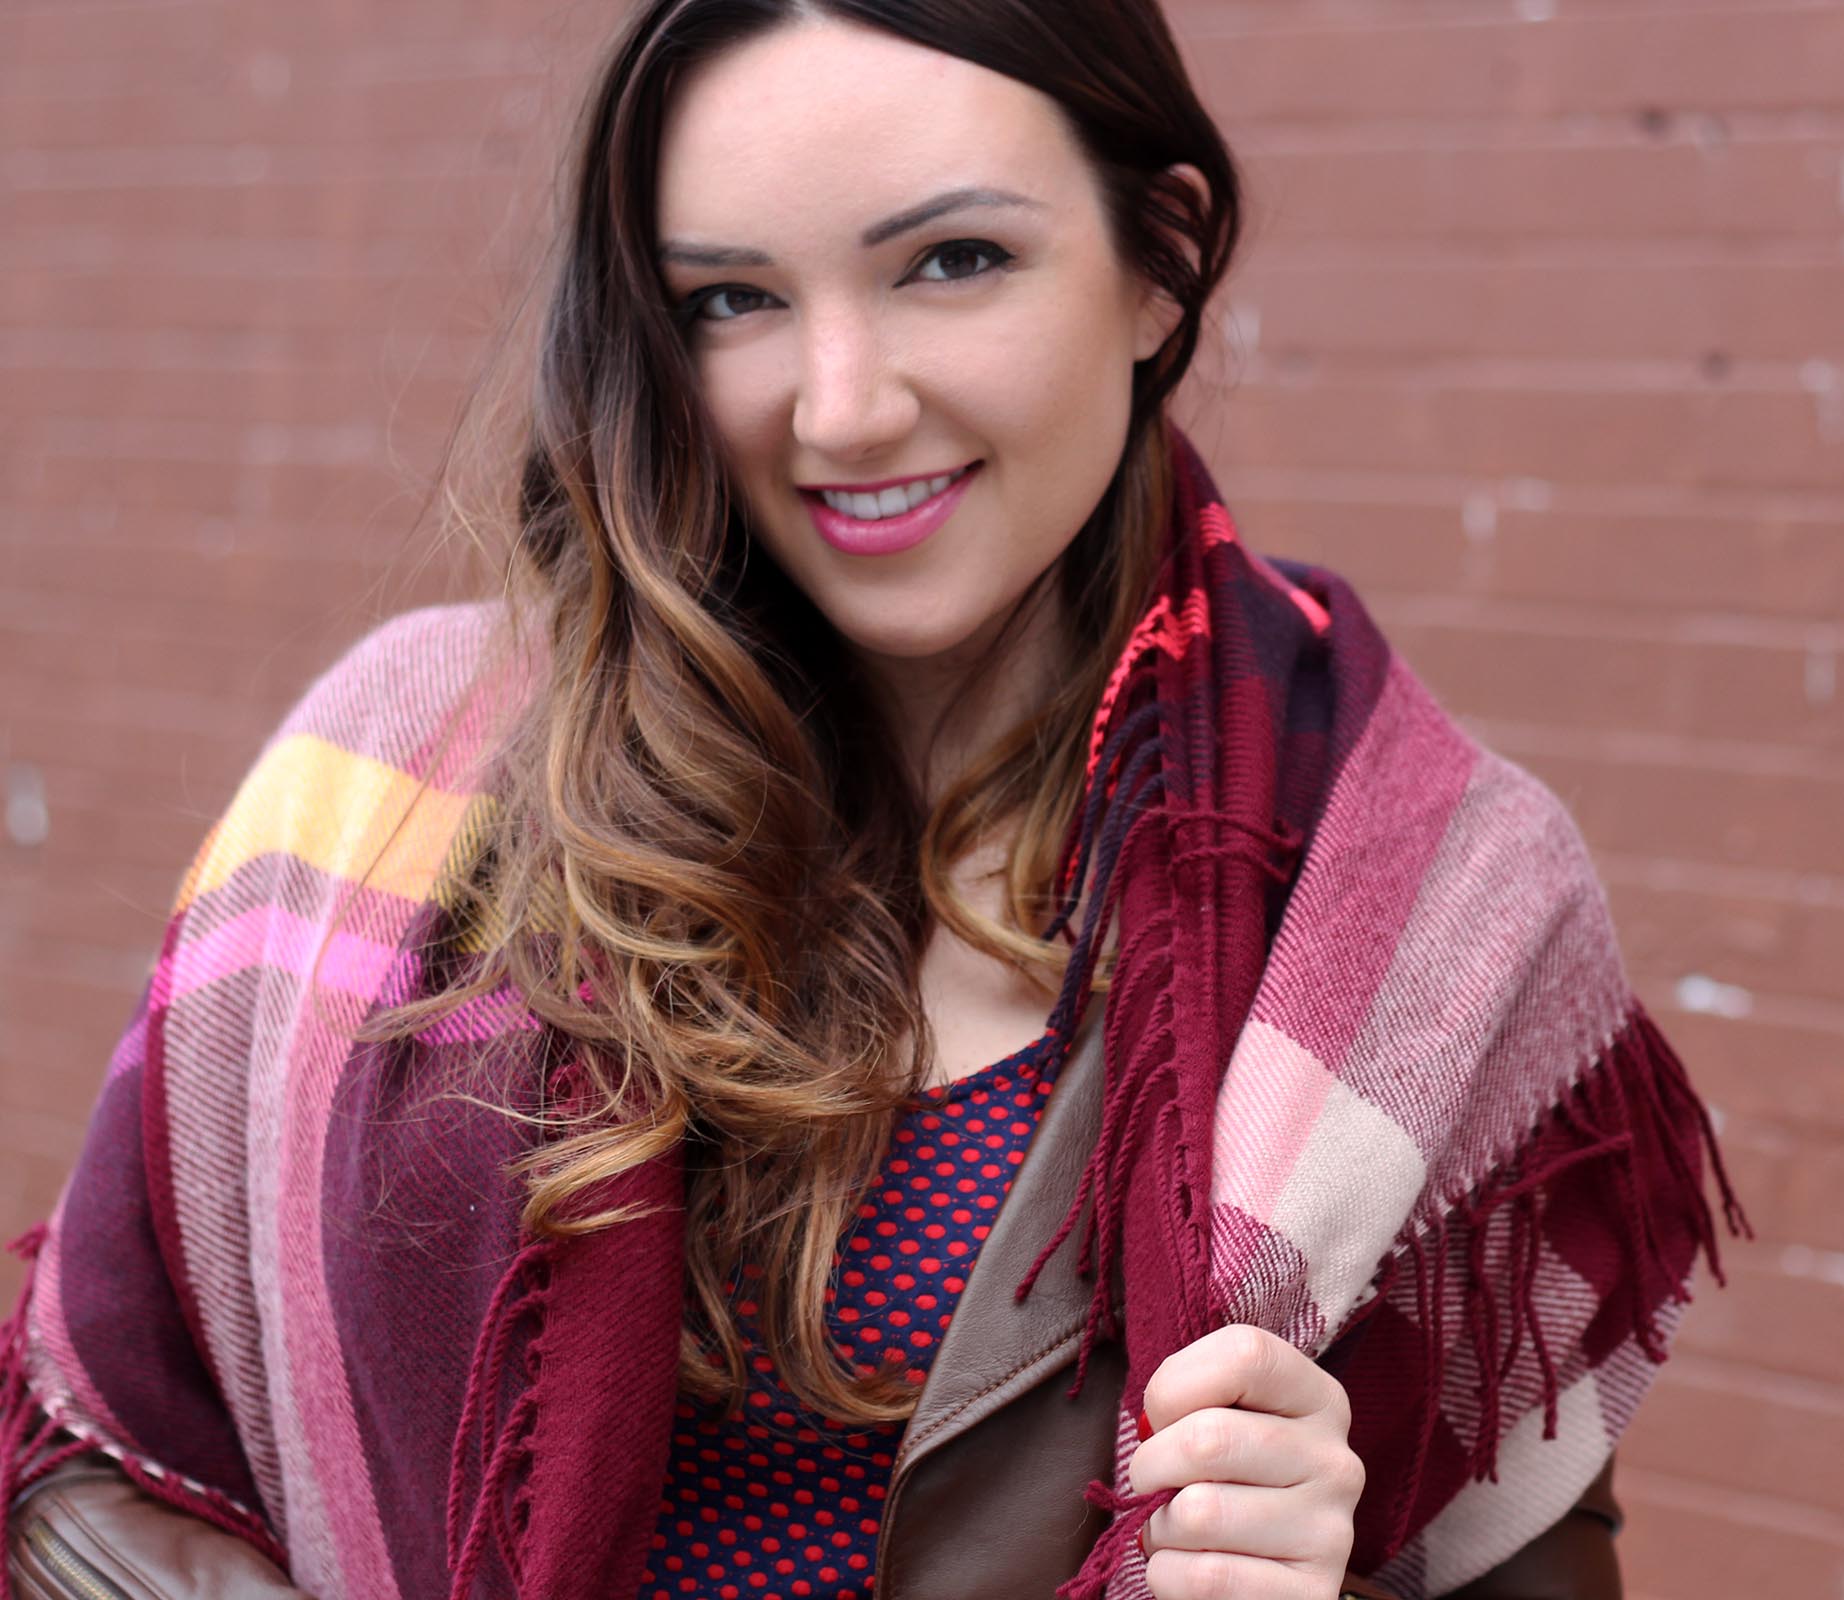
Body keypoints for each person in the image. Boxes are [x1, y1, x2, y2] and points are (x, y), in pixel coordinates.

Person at [1, 2, 1745, 1597]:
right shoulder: (401, 781)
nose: (839, 409)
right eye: (732, 299)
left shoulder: (1421, 903)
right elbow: (89, 1462)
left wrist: (1320, 1574)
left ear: (1159, 260)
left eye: (953, 261)